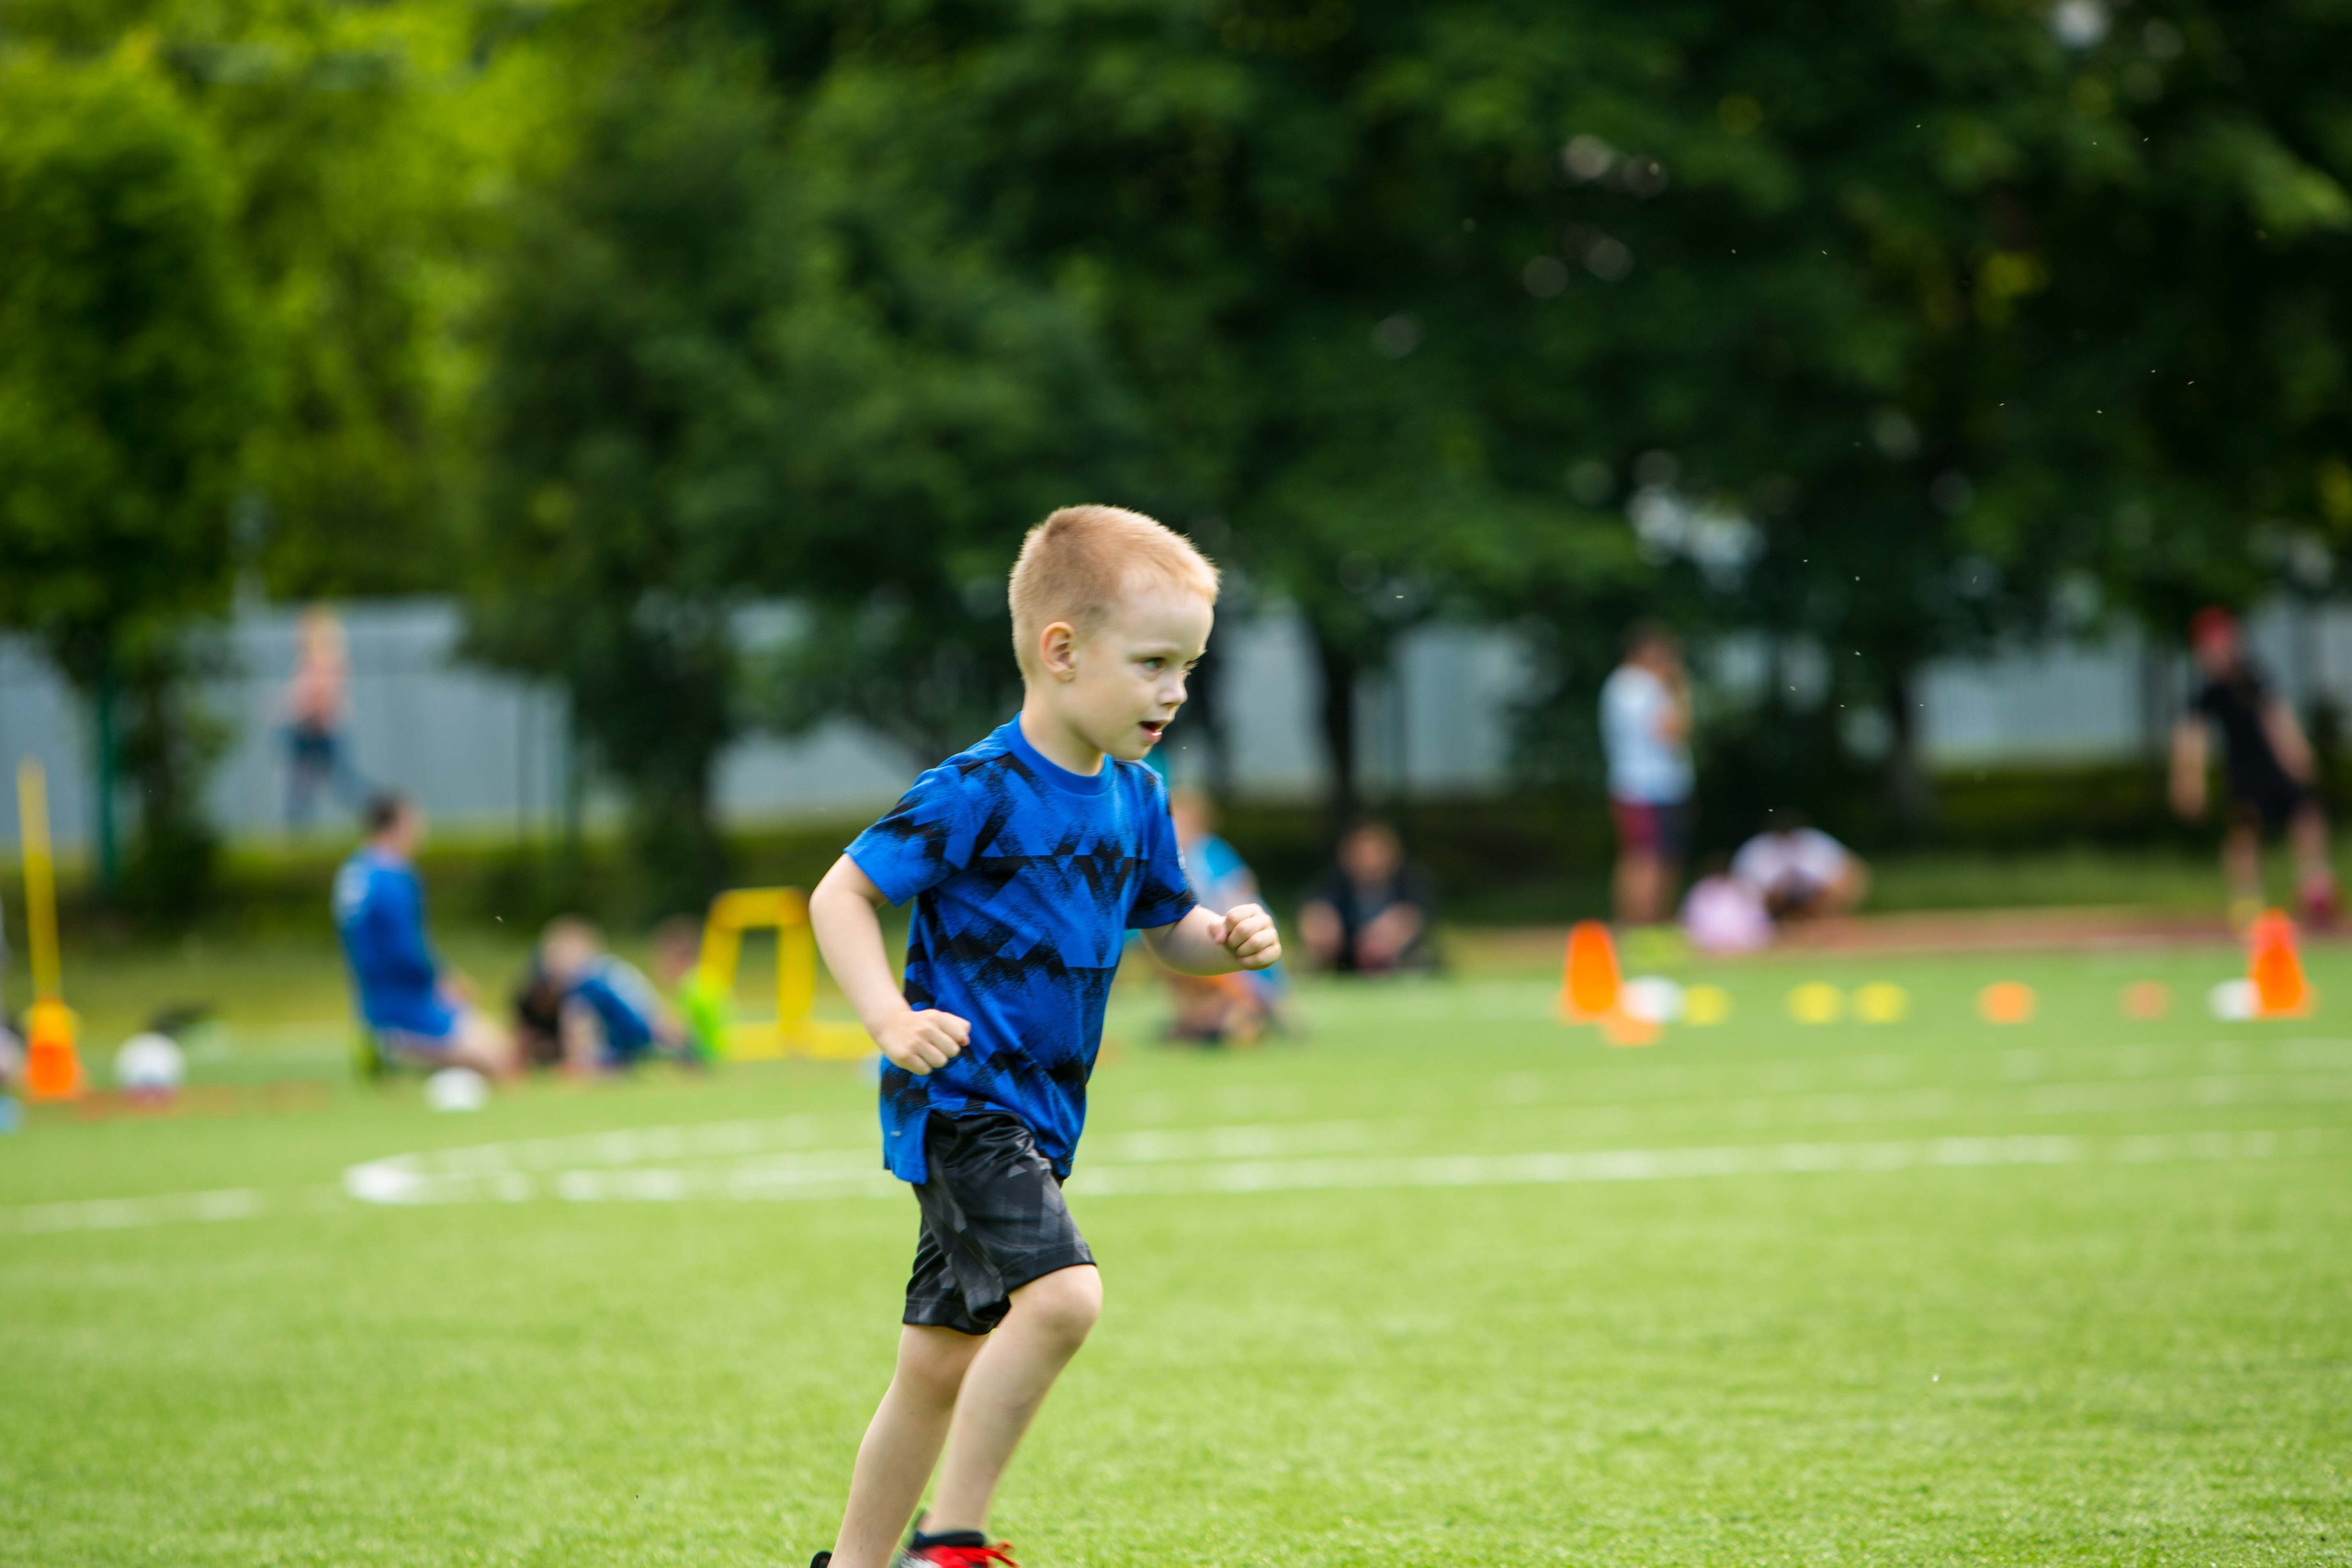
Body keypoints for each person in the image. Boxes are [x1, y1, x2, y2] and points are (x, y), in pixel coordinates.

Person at [805, 505, 1280, 1568]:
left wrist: (1226, 940)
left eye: (1189, 667)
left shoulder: (1138, 798)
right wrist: (889, 1017)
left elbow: (1171, 935)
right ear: (1060, 652)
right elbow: (840, 895)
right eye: (1155, 662)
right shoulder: (974, 789)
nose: (1176, 692)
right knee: (1064, 1300)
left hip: (1042, 1117)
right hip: (963, 1105)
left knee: (932, 1367)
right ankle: (953, 1543)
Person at [2171, 607, 2339, 926]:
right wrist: (2189, 781)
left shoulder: (2254, 677)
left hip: (2275, 766)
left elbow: (2277, 716)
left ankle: (2314, 883)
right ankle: (2247, 899)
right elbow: (2191, 738)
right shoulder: (2208, 692)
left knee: (2307, 815)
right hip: (2244, 771)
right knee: (2243, 834)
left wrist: (2297, 752)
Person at [334, 794, 514, 1077]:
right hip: (410, 1001)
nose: (420, 831)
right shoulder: (394, 876)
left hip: (371, 1000)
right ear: (396, 826)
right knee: (501, 1058)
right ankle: (399, 1051)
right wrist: (441, 980)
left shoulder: (353, 872)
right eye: (414, 823)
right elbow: (403, 950)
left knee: (490, 1042)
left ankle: (394, 1048)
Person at [1163, 786, 1289, 1043]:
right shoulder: (1168, 857)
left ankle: (1247, 1016)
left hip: (1228, 933)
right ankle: (1203, 1019)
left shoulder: (1209, 851)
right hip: (1206, 939)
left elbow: (1240, 886)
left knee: (1245, 978)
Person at [1600, 622, 1693, 925]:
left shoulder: (1619, 684)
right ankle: (1644, 924)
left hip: (1639, 784)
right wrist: (1679, 690)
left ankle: (1640, 925)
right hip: (1648, 786)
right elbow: (1671, 732)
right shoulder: (1643, 686)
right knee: (1649, 859)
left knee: (1644, 857)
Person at [537, 917, 690, 1073]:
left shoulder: (588, 980)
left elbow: (577, 1025)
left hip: (638, 1035)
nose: (552, 962)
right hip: (644, 1033)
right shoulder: (607, 968)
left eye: (559, 954)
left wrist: (578, 1062)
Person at [1298, 818, 1436, 974]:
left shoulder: (1411, 881)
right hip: (1345, 958)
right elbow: (1316, 907)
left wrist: (1391, 931)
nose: (1368, 858)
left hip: (1399, 960)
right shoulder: (1334, 881)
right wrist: (1320, 923)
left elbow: (1416, 914)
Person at [284, 605, 368, 829]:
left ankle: (378, 810)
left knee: (333, 779)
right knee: (304, 780)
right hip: (311, 726)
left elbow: (322, 693)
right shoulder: (315, 657)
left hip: (319, 727)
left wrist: (313, 715)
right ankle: (296, 826)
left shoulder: (323, 658)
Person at [1730, 811, 1870, 920]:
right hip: (1773, 903)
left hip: (1814, 896)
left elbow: (1850, 867)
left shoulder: (1815, 842)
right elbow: (1743, 884)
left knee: (1842, 882)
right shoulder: (1757, 849)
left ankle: (1828, 924)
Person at [1679, 855, 1773, 955]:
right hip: (1707, 948)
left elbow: (1759, 925)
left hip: (1743, 949)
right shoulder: (1701, 890)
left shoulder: (1744, 889)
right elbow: (1688, 923)